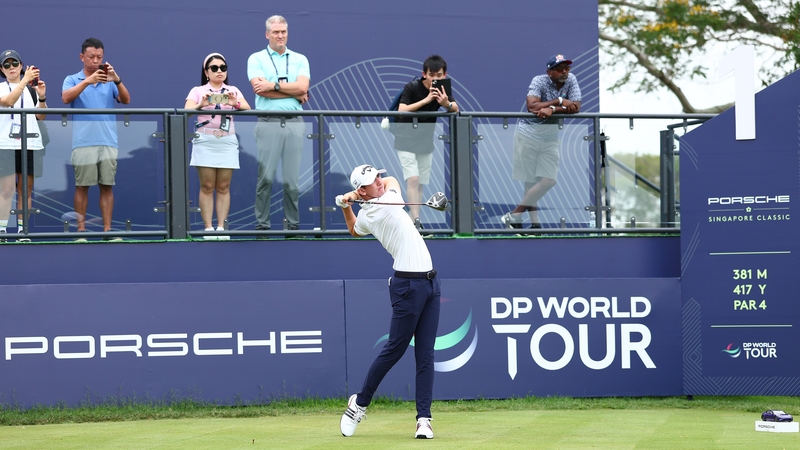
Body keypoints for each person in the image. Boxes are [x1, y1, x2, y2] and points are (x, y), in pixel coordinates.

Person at [336, 164, 440, 439]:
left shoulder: (370, 209)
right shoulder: (385, 203)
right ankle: (359, 404)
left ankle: (424, 420)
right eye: (373, 181)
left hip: (430, 283)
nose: (380, 182)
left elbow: (354, 229)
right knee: (394, 349)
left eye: (378, 176)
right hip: (408, 285)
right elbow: (392, 184)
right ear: (363, 190)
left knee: (426, 354)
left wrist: (347, 204)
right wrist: (352, 199)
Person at [62, 37, 131, 241]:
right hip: (83, 141)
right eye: (91, 56)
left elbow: (126, 100)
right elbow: (66, 98)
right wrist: (87, 81)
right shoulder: (72, 79)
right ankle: (81, 230)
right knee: (82, 186)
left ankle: (107, 231)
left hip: (108, 141)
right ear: (82, 57)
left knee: (107, 185)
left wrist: (116, 79)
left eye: (99, 57)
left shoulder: (109, 81)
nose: (95, 60)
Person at [502, 54, 581, 230]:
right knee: (530, 181)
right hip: (528, 134)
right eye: (560, 69)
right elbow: (532, 106)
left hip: (550, 137)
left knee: (548, 180)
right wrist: (559, 101)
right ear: (549, 72)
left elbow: (576, 107)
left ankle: (515, 214)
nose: (565, 72)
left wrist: (551, 109)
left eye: (567, 68)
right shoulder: (539, 80)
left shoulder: (571, 79)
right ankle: (534, 224)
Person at [247, 15, 310, 236]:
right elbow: (259, 89)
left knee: (292, 181)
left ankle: (292, 227)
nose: (280, 35)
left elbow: (303, 87)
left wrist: (273, 85)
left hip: (295, 124)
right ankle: (262, 226)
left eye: (283, 31)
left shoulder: (300, 58)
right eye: (275, 32)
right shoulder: (256, 58)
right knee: (265, 178)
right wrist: (291, 90)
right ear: (267, 34)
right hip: (268, 122)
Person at [185, 53, 251, 240]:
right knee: (206, 185)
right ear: (206, 72)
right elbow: (186, 112)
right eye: (214, 68)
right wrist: (201, 105)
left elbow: (247, 107)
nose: (219, 71)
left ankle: (221, 228)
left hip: (227, 140)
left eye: (223, 67)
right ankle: (208, 228)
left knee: (223, 186)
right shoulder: (198, 90)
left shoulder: (232, 90)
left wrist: (233, 103)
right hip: (205, 140)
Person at [393, 55, 458, 232]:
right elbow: (402, 110)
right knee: (412, 178)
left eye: (439, 75)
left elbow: (456, 108)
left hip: (425, 142)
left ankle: (415, 218)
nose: (435, 79)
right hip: (405, 139)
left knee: (420, 182)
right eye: (431, 75)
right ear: (424, 74)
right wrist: (427, 100)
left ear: (445, 75)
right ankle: (415, 221)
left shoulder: (444, 90)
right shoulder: (412, 87)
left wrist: (446, 104)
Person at [0, 50, 47, 242]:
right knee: (6, 189)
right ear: (2, 70)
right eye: (7, 65)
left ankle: (22, 230)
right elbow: (8, 102)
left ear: (21, 65)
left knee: (25, 189)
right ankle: (2, 229)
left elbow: (40, 116)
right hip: (5, 143)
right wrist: (24, 80)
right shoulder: (2, 87)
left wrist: (42, 97)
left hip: (30, 142)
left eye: (15, 63)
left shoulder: (30, 89)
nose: (11, 68)